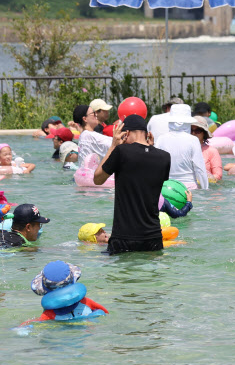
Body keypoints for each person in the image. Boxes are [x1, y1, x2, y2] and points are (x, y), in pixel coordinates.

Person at [94, 115, 171, 254]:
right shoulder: (165, 157)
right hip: (153, 238)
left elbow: (97, 179)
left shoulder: (121, 152)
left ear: (126, 133)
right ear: (148, 134)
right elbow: (147, 181)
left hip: (124, 238)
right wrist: (150, 148)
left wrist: (113, 145)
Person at [23, 261, 108, 324]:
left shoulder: (49, 314)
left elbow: (41, 323)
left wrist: (26, 324)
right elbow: (105, 312)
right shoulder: (86, 302)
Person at [155, 104, 209, 190]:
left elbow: (156, 166)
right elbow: (199, 169)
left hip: (167, 187)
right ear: (188, 122)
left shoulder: (161, 139)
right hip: (189, 188)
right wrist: (206, 189)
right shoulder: (193, 140)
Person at [191, 116, 223, 182]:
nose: (193, 133)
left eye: (197, 131)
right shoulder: (183, 149)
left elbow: (218, 175)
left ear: (204, 133)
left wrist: (205, 179)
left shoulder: (211, 151)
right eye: (191, 130)